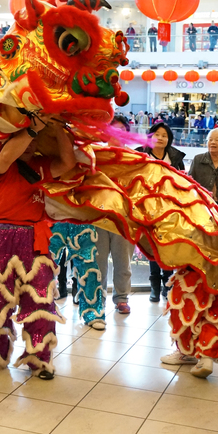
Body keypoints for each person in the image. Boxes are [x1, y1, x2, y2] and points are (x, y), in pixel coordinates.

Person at [0, 114, 76, 380]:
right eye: (21, 137)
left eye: (33, 139)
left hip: (34, 237)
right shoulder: (1, 162)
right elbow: (8, 156)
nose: (29, 143)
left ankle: (39, 360)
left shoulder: (41, 165)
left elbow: (68, 162)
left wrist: (59, 127)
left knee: (40, 300)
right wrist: (32, 128)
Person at [136, 122, 185, 302]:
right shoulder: (141, 154)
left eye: (164, 135)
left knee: (168, 245)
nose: (161, 138)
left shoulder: (175, 158)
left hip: (170, 208)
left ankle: (167, 284)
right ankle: (154, 286)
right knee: (152, 245)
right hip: (146, 208)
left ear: (169, 139)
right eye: (157, 134)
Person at [95, 115, 134, 314]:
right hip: (99, 217)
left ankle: (122, 298)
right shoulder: (96, 155)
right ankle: (96, 299)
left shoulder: (134, 160)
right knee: (98, 260)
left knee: (123, 262)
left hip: (124, 219)